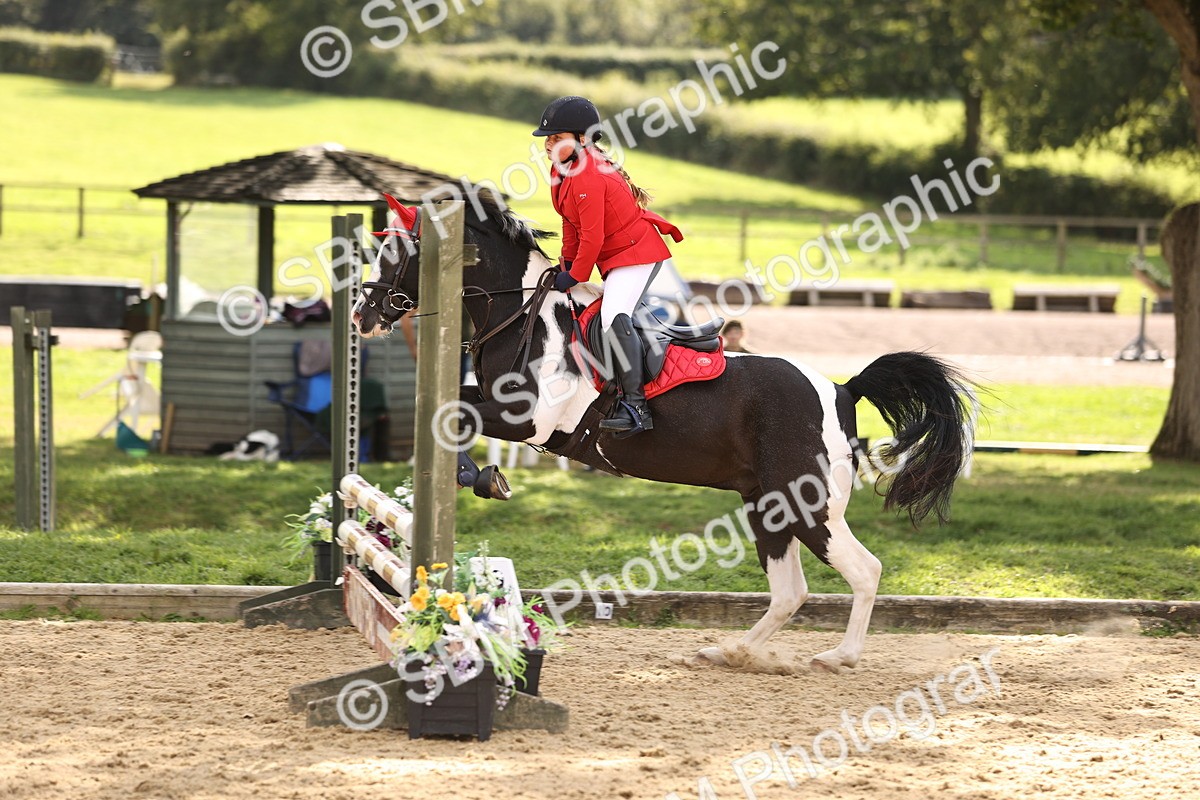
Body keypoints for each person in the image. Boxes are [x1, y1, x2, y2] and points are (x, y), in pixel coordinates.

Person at [533, 95, 684, 437]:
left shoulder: (587, 174)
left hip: (637, 255)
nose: (549, 144)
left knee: (613, 315)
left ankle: (636, 406)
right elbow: (570, 225)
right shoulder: (562, 169)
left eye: (557, 137)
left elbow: (593, 236)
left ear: (582, 139)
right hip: (616, 256)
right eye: (548, 138)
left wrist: (575, 275)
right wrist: (565, 265)